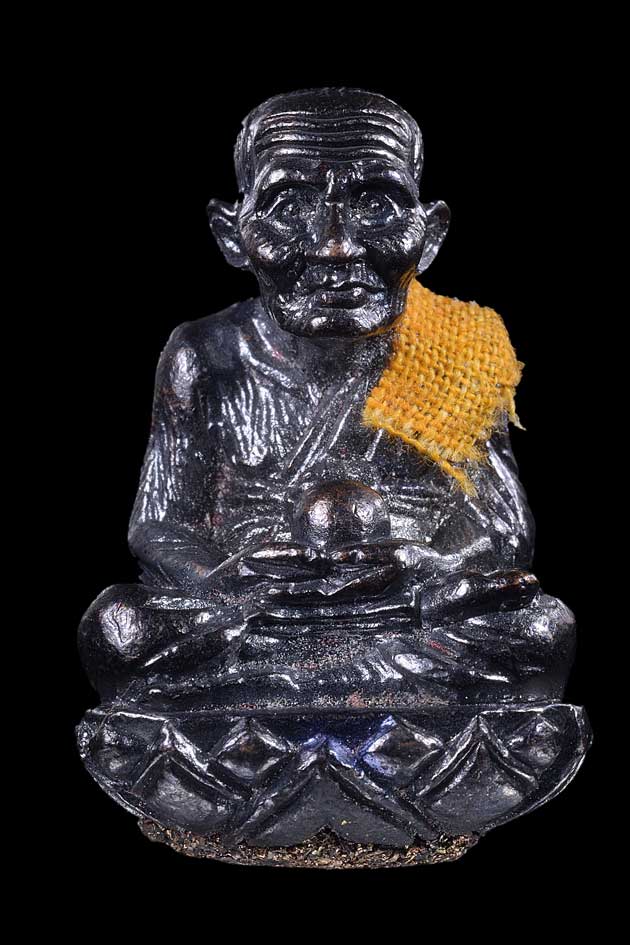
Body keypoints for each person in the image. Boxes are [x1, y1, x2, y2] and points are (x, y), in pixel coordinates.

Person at [79, 88, 575, 710]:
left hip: (406, 606)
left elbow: (501, 528)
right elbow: (161, 523)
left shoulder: (461, 349)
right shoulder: (205, 353)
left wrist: (426, 567)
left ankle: (279, 697)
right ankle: (359, 695)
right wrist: (232, 580)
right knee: (121, 628)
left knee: (539, 631)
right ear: (232, 234)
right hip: (259, 609)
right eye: (289, 206)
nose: (335, 246)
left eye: (376, 205)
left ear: (430, 233)